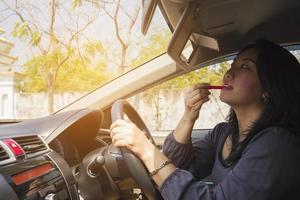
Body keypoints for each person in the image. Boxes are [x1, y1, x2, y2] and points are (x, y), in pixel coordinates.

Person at [110, 39, 300, 199]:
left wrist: (146, 151)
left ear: (268, 87)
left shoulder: (276, 144)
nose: (228, 74)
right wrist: (188, 116)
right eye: (232, 65)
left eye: (244, 67)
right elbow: (174, 167)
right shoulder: (222, 133)